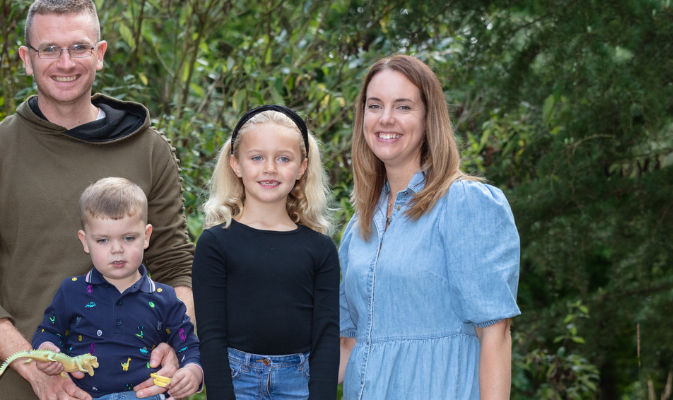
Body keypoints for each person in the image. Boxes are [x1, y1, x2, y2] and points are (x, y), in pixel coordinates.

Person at [0, 1, 195, 399]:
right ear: (27, 59)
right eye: (49, 49)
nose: (65, 62)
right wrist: (35, 368)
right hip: (24, 390)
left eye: (79, 47)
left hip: (138, 388)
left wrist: (178, 345)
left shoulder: (148, 149)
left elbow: (176, 265)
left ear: (100, 53)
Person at [337, 54, 520, 399]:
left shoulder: (464, 204)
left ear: (428, 118)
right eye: (374, 106)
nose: (386, 119)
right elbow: (348, 347)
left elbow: (495, 334)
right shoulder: (358, 227)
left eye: (403, 107)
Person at [192, 105, 341, 400]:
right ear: (236, 164)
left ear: (301, 167)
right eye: (257, 157)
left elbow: (326, 336)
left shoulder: (320, 248)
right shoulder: (214, 243)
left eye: (283, 158)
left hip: (300, 383)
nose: (269, 168)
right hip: (236, 382)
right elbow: (210, 334)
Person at [29, 178, 203, 400]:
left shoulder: (165, 297)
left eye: (128, 238)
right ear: (85, 241)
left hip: (144, 395)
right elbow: (48, 330)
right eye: (103, 240)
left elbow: (188, 344)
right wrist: (48, 349)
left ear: (146, 236)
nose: (117, 250)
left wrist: (192, 372)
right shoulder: (70, 291)